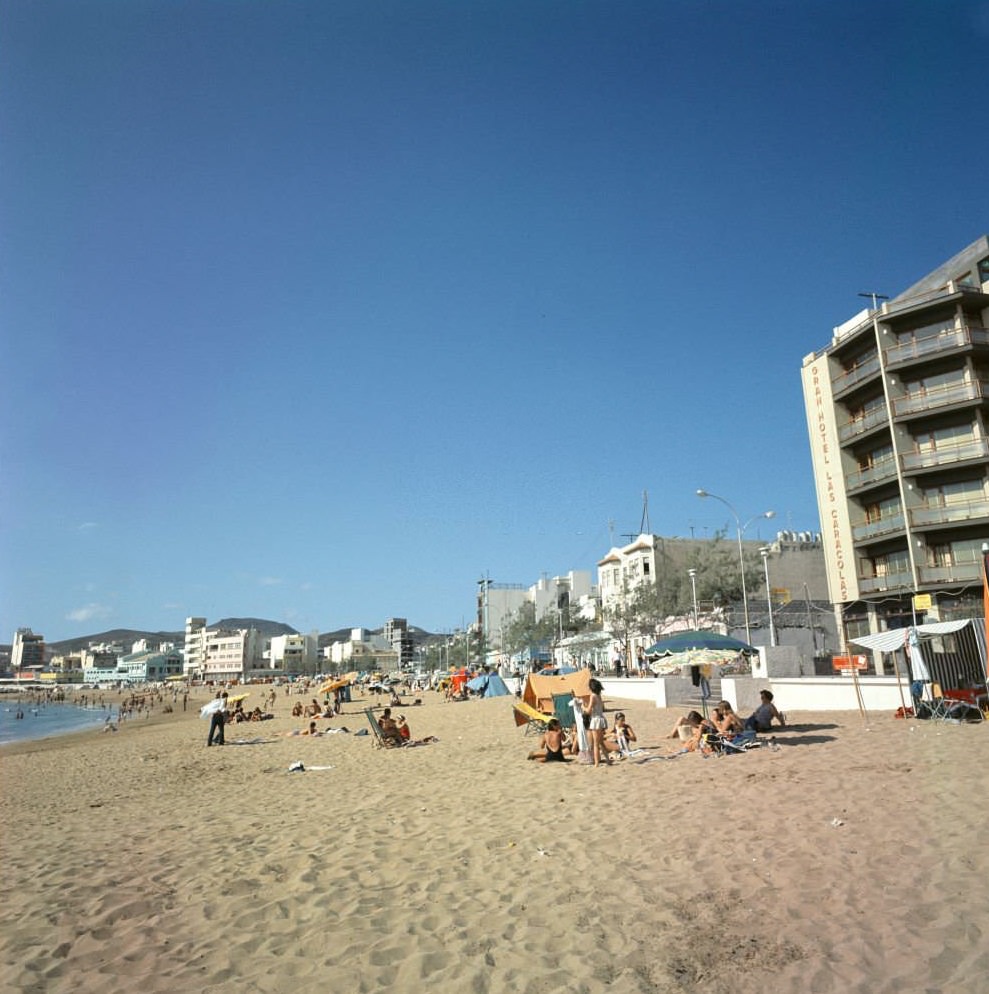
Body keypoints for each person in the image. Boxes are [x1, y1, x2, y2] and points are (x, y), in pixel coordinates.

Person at [582, 678, 608, 766]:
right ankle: (608, 760)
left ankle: (596, 763)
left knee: (596, 744)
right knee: (601, 742)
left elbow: (588, 711)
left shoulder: (592, 696)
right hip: (601, 719)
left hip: (596, 720)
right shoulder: (598, 695)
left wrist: (583, 707)